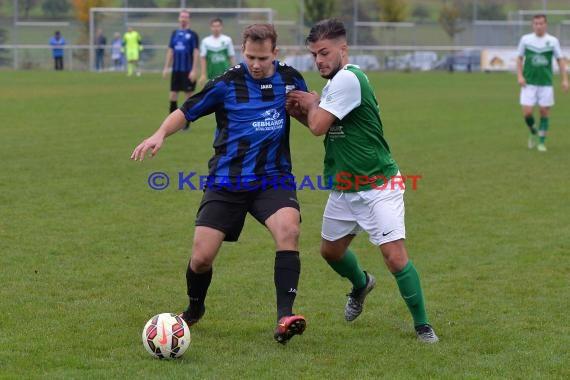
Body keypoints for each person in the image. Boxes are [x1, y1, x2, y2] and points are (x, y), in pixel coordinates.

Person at [131, 24, 309, 344]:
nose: (256, 64)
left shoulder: (291, 79)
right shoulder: (227, 83)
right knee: (201, 258)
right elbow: (187, 111)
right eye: (251, 56)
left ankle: (285, 316)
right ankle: (195, 308)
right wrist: (159, 134)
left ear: (275, 53)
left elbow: (309, 115)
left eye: (263, 58)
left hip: (273, 179)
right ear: (242, 50)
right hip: (226, 182)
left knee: (289, 231)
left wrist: (317, 109)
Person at [286, 18, 438, 343]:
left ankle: (423, 325)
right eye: (314, 55)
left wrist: (309, 105)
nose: (319, 60)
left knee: (395, 256)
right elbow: (322, 128)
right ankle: (360, 284)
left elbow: (317, 126)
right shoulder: (334, 84)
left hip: (378, 185)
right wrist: (298, 111)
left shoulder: (348, 80)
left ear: (344, 48)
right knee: (331, 252)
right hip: (345, 187)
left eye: (324, 52)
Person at [517, 14, 568, 152]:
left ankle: (541, 142)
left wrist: (564, 79)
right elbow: (519, 58)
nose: (538, 26)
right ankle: (533, 130)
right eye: (536, 23)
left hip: (545, 83)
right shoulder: (526, 40)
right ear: (533, 25)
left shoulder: (552, 41)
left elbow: (560, 60)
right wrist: (520, 76)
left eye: (541, 23)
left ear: (546, 25)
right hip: (528, 83)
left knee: (544, 112)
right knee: (527, 113)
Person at [162, 10, 199, 131]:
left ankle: (186, 124)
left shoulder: (193, 35)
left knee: (189, 97)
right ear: (179, 19)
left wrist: (194, 70)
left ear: (188, 19)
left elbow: (195, 52)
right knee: (172, 95)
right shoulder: (174, 33)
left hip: (187, 70)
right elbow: (170, 51)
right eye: (182, 17)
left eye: (186, 17)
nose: (183, 19)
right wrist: (166, 67)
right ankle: (172, 124)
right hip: (176, 71)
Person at [198, 17, 236, 85]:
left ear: (221, 27)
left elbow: (231, 57)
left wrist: (234, 72)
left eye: (218, 26)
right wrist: (203, 74)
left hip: (225, 75)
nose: (216, 28)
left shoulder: (227, 40)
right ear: (211, 27)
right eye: (214, 26)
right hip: (211, 75)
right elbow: (203, 58)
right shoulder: (205, 41)